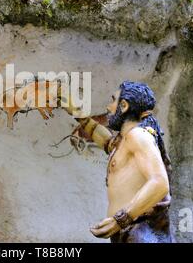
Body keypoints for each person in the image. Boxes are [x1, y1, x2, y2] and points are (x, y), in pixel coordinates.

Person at [64, 81, 172, 243]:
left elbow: (160, 182)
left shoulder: (138, 136)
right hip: (129, 233)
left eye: (112, 100)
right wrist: (75, 110)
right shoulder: (124, 141)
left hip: (141, 234)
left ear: (124, 106)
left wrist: (120, 220)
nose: (108, 107)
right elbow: (104, 139)